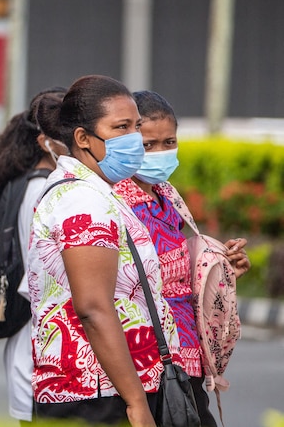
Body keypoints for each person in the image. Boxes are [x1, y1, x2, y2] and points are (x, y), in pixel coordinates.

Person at [28, 75, 182, 426]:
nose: (134, 140)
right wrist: (136, 401)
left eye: (135, 126)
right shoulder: (82, 201)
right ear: (83, 138)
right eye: (121, 127)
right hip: (97, 394)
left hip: (107, 388)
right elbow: (94, 308)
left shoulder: (98, 192)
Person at [112, 90, 251, 427]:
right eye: (148, 145)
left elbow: (178, 273)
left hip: (186, 352)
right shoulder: (115, 202)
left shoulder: (168, 196)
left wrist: (220, 269)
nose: (160, 153)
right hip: (145, 358)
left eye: (168, 142)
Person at [0, 87, 66, 425]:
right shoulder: (44, 191)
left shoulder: (26, 185)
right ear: (46, 141)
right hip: (43, 359)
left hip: (31, 354)